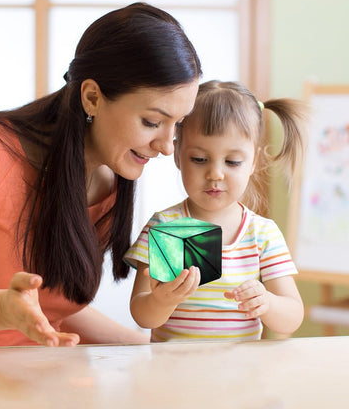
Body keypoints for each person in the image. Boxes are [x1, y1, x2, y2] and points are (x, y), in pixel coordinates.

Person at [0, 2, 201, 347]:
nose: (166, 146)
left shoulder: (107, 181)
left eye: (177, 125)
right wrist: (1, 308)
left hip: (43, 382)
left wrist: (149, 351)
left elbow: (53, 306)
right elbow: (19, 311)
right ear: (92, 97)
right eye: (152, 122)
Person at [125, 80, 306, 342]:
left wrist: (266, 302)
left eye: (232, 162)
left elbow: (293, 317)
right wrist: (161, 301)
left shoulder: (262, 234)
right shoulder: (165, 225)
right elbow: (141, 315)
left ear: (253, 161)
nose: (215, 174)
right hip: (172, 374)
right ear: (178, 156)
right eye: (199, 159)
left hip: (238, 376)